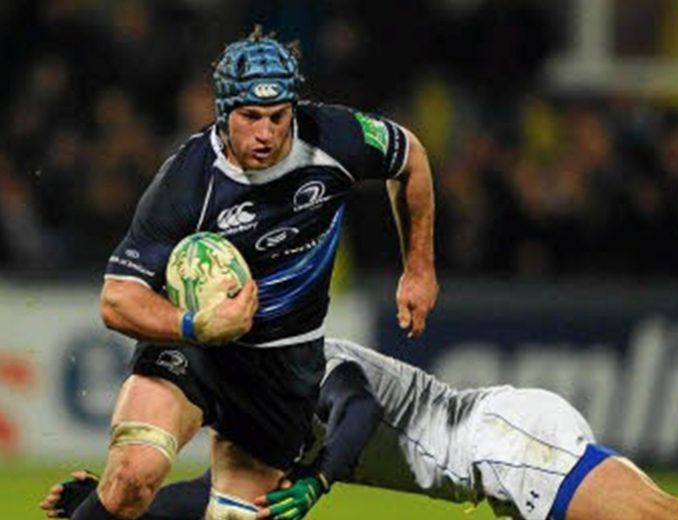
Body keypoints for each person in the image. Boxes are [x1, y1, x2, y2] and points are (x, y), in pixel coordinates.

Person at [66, 25, 438, 520]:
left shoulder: (337, 137)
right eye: (250, 117)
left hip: (283, 366)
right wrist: (194, 325)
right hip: (195, 349)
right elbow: (116, 299)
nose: (266, 132)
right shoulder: (187, 180)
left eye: (278, 116)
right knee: (131, 479)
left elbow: (411, 157)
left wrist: (418, 269)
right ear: (224, 112)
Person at [43, 339, 678, 520]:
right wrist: (109, 504)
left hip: (500, 440)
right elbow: (215, 500)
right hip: (488, 467)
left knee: (658, 517)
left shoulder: (297, 356)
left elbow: (356, 407)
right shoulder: (245, 419)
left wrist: (321, 481)